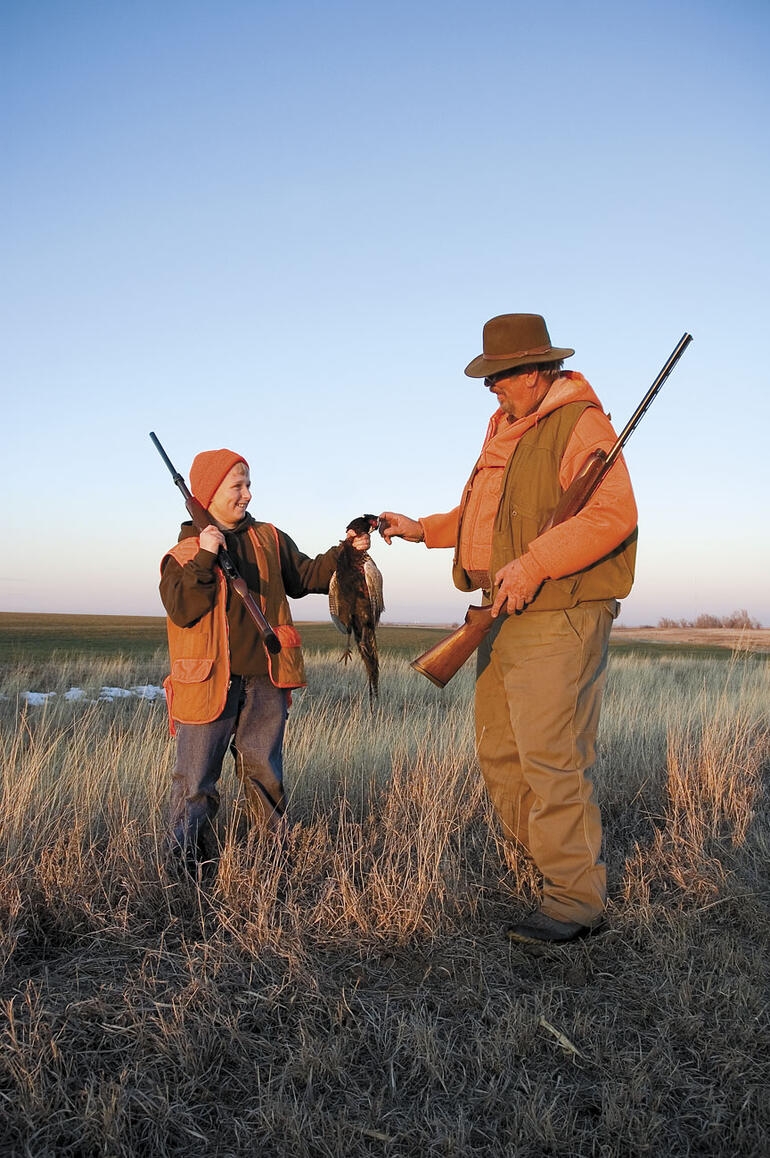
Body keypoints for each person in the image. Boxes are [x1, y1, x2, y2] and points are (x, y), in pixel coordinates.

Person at [380, 313, 637, 944]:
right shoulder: (505, 428)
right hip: (502, 610)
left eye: (498, 376)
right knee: (500, 754)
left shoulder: (581, 423)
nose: (490, 387)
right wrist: (420, 529)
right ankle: (552, 869)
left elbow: (613, 514)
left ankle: (576, 904)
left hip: (558, 612)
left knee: (552, 759)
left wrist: (536, 563)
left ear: (535, 370)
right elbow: (480, 516)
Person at [160, 447, 370, 868]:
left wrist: (346, 551)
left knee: (265, 776)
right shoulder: (182, 555)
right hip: (208, 686)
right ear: (207, 493)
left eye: (248, 484)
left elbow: (308, 576)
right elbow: (184, 609)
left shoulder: (270, 538)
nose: (247, 495)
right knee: (196, 784)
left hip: (266, 679)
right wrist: (206, 553)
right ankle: (182, 873)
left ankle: (275, 862)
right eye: (237, 486)